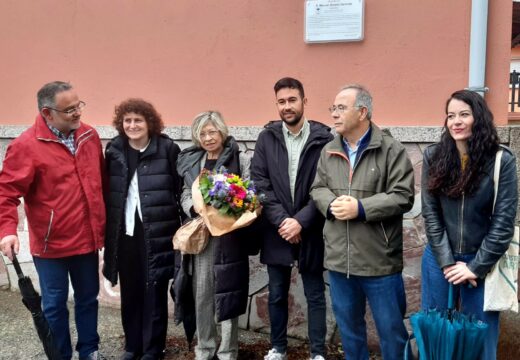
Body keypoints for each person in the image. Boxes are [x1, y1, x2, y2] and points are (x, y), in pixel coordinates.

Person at [0, 81, 106, 360]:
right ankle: (59, 355)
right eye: (69, 109)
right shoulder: (25, 146)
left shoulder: (90, 136)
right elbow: (6, 194)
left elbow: (101, 183)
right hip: (50, 246)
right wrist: (7, 231)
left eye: (78, 105)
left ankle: (89, 351)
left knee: (87, 300)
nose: (77, 113)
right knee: (55, 305)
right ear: (48, 113)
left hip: (86, 239)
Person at [310, 84, 414, 360]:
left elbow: (403, 196)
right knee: (350, 331)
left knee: (391, 332)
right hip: (339, 261)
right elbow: (317, 188)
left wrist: (361, 207)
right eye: (333, 108)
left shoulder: (391, 150)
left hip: (379, 261)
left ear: (363, 112)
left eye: (341, 108)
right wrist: (330, 204)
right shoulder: (329, 150)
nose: (334, 114)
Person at [421, 90, 518, 360]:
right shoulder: (434, 156)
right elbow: (431, 215)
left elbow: (503, 223)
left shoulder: (501, 160)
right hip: (439, 259)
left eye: (464, 114)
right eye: (451, 116)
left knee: (481, 339)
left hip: (483, 262)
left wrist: (475, 267)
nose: (456, 121)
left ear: (479, 117)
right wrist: (447, 262)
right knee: (436, 335)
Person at [251, 77, 332, 360]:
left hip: (311, 228)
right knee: (276, 293)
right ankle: (278, 348)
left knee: (315, 294)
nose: (287, 106)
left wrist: (301, 221)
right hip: (276, 229)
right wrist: (284, 221)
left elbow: (328, 185)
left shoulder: (324, 138)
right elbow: (259, 184)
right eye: (282, 102)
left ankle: (318, 353)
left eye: (292, 100)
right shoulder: (267, 138)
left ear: (304, 101)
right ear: (277, 104)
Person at [102, 98, 182, 360]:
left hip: (158, 232)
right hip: (125, 233)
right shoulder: (114, 150)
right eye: (127, 120)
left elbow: (179, 191)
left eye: (138, 120)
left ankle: (153, 348)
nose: (132, 125)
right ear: (121, 123)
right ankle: (132, 346)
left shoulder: (167, 149)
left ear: (149, 122)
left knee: (155, 290)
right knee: (131, 291)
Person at [176, 111, 251, 360]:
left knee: (228, 292)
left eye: (212, 132)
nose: (208, 137)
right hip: (202, 236)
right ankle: (205, 348)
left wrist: (228, 209)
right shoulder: (193, 162)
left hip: (230, 237)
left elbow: (249, 193)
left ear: (222, 132)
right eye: (203, 133)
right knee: (202, 293)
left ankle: (228, 351)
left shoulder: (240, 159)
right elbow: (186, 192)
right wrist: (193, 207)